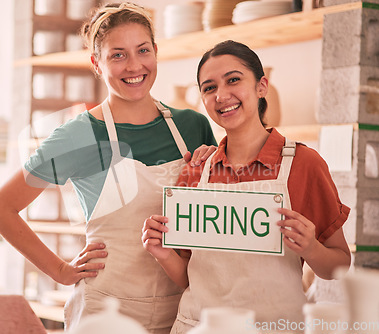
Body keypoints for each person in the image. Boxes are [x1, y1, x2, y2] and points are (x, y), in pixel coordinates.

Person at [0, 3, 216, 333]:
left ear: (155, 52)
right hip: (105, 312)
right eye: (117, 55)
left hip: (183, 308)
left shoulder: (192, 127)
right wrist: (60, 270)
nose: (135, 65)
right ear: (97, 63)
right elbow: (0, 208)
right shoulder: (79, 135)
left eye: (143, 50)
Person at [142, 40, 351, 333]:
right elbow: (190, 278)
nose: (222, 95)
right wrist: (161, 253)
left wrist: (312, 248)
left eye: (233, 80)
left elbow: (339, 265)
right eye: (209, 87)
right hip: (198, 327)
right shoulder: (196, 170)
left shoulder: (304, 164)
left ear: (261, 86)